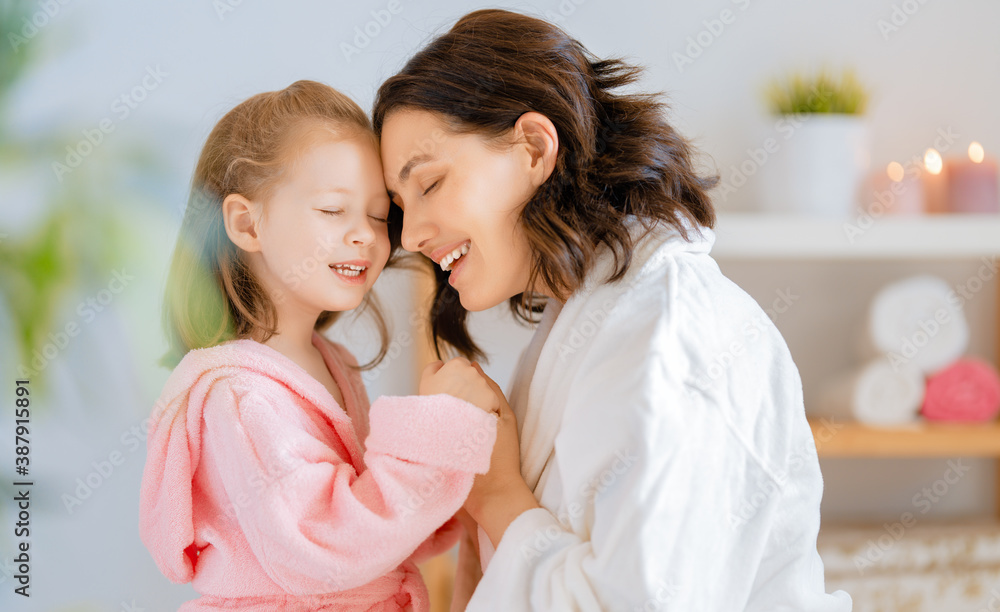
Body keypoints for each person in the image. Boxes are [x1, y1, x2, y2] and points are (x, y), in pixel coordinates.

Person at [374, 10, 853, 611]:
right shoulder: (586, 321)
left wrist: (497, 493)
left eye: (430, 184)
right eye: (398, 202)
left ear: (532, 148)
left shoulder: (671, 333)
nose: (412, 233)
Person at [138, 80, 502, 611]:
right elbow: (320, 542)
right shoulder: (239, 396)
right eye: (334, 211)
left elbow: (369, 530)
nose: (366, 236)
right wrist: (435, 436)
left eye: (380, 216)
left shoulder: (333, 362)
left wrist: (453, 483)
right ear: (247, 222)